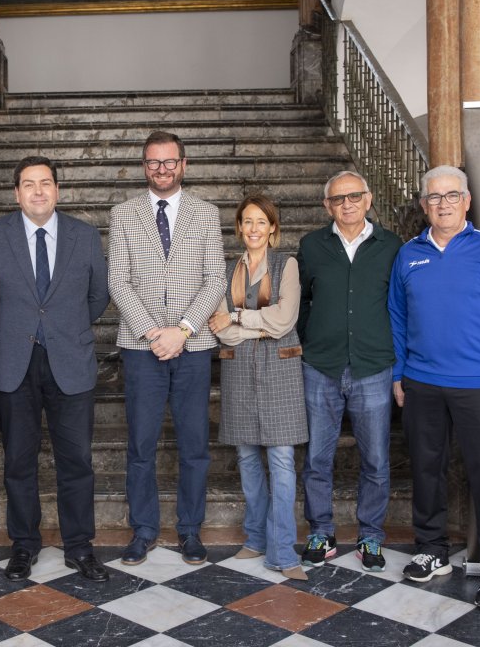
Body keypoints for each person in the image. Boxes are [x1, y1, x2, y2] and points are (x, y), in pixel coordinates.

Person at [388, 165, 480, 611]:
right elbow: (397, 317)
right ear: (423, 205)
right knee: (427, 471)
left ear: (467, 201)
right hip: (422, 384)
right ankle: (432, 550)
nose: (443, 203)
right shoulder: (408, 254)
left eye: (452, 195)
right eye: (434, 197)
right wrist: (399, 374)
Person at [0, 156, 111, 583]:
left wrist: (63, 327)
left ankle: (80, 546)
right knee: (18, 460)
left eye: (45, 183)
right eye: (28, 184)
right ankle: (24, 545)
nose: (37, 191)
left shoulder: (83, 236)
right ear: (16, 193)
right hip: (12, 362)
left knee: (76, 461)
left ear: (57, 190)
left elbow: (98, 295)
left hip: (70, 360)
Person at [107, 130, 226, 566]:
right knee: (141, 444)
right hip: (141, 349)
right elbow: (118, 281)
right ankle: (143, 530)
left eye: (169, 161)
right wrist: (153, 333)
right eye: (154, 162)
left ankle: (190, 531)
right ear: (144, 166)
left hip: (193, 347)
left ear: (184, 164)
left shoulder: (206, 213)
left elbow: (215, 279)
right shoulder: (123, 214)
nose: (162, 169)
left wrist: (183, 329)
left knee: (194, 445)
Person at [296, 170, 401, 572]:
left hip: (373, 366)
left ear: (369, 199)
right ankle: (321, 532)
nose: (347, 204)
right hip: (321, 365)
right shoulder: (312, 245)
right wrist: (310, 342)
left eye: (354, 196)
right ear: (327, 206)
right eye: (338, 199)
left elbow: (400, 306)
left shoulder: (391, 246)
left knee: (375, 459)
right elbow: (302, 302)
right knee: (317, 459)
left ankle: (370, 536)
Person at [208, 195, 306, 581]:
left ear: (272, 228)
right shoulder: (225, 269)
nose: (253, 229)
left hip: (280, 370)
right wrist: (253, 324)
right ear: (239, 228)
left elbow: (284, 320)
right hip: (238, 371)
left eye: (261, 222)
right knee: (248, 459)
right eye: (247, 222)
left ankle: (283, 551)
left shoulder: (287, 264)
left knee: (281, 462)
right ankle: (256, 537)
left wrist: (237, 316)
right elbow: (222, 331)